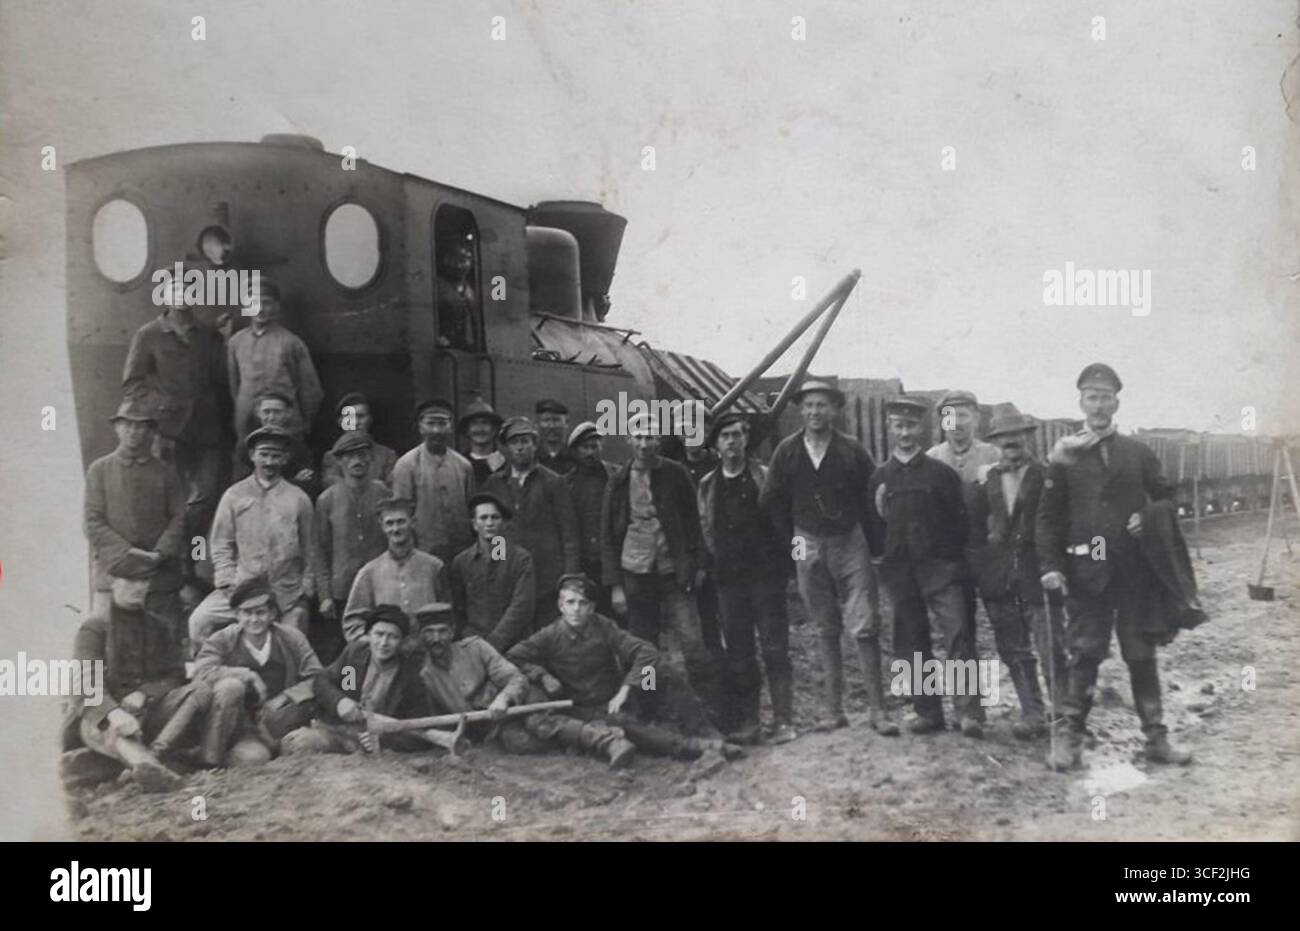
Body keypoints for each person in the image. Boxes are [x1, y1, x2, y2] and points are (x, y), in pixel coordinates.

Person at [1036, 363, 1191, 770]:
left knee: (1141, 654)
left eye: (1106, 397)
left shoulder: (1136, 453)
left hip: (1134, 571)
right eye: (1093, 397)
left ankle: (1156, 738)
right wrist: (1051, 566)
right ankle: (1069, 740)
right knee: (1084, 653)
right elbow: (1048, 518)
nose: (1099, 405)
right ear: (1081, 402)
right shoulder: (1064, 455)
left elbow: (1168, 497)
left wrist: (1149, 514)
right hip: (1089, 567)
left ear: (1116, 402)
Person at [759, 380, 894, 734]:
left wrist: (875, 545)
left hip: (849, 541)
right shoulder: (787, 452)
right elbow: (772, 500)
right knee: (824, 626)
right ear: (800, 411)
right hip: (805, 540)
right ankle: (833, 711)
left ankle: (878, 711)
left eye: (822, 405)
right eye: (809, 406)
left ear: (834, 410)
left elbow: (874, 497)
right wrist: (789, 542)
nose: (815, 412)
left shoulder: (851, 450)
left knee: (864, 624)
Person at [508, 575, 740, 768]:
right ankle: (698, 747)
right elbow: (513, 656)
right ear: (561, 606)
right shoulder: (549, 635)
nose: (576, 609)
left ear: (591, 607)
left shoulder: (603, 625)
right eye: (570, 603)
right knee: (629, 727)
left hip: (620, 699)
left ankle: (704, 730)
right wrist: (542, 675)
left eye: (582, 603)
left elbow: (645, 651)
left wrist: (626, 689)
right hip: (584, 710)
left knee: (659, 671)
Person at [599, 411, 727, 733]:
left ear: (659, 440)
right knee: (645, 649)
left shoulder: (676, 474)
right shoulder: (617, 481)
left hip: (673, 574)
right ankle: (651, 711)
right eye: (638, 437)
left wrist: (696, 565)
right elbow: (608, 537)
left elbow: (694, 523)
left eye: (650, 437)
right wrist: (615, 585)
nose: (644, 444)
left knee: (693, 644)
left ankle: (713, 713)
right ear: (629, 440)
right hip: (636, 576)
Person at [871, 396, 984, 738]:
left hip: (941, 571)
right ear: (890, 429)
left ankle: (970, 712)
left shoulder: (941, 474)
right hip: (901, 574)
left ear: (922, 429)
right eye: (898, 425)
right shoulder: (880, 478)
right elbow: (873, 527)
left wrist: (950, 561)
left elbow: (959, 521)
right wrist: (886, 564)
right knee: (911, 641)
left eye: (911, 426)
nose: (905, 433)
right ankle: (926, 711)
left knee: (958, 637)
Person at [968, 408, 1067, 739]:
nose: (1010, 442)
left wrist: (1057, 568)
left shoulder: (1049, 475)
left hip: (1039, 575)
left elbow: (1059, 527)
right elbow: (977, 529)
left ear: (1028, 436)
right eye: (1002, 437)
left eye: (1016, 435)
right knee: (1013, 649)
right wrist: (984, 569)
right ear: (995, 442)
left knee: (1051, 646)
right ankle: (1032, 712)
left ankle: (1065, 716)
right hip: (999, 579)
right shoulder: (989, 478)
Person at [697, 412, 795, 745]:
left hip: (765, 578)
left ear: (745, 440)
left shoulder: (764, 477)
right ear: (716, 444)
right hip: (729, 582)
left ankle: (783, 720)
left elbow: (783, 525)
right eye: (725, 436)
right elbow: (705, 529)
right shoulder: (708, 485)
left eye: (738, 435)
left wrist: (784, 569)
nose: (732, 441)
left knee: (774, 647)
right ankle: (750, 721)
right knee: (740, 652)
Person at [122, 277, 230, 553]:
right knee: (167, 499)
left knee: (205, 497)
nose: (182, 296)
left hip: (206, 431)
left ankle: (185, 559)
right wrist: (162, 407)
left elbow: (220, 379)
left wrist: (226, 341)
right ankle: (176, 566)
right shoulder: (148, 335)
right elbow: (133, 385)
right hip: (168, 432)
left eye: (188, 290)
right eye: (175, 290)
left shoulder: (208, 335)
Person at [63, 591, 211, 793]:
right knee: (118, 733)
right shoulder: (95, 627)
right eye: (131, 581)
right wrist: (114, 713)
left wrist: (144, 693)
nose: (138, 587)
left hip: (148, 712)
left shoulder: (156, 625)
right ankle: (158, 773)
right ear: (115, 582)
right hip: (100, 716)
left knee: (198, 691)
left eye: (143, 580)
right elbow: (86, 687)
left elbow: (174, 674)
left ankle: (115, 764)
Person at [189, 425, 316, 647]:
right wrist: (226, 579)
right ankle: (210, 674)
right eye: (263, 454)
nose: (269, 462)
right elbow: (221, 543)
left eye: (276, 456)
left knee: (293, 640)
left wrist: (306, 583)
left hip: (284, 592)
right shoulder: (234, 495)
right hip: (243, 586)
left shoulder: (298, 499)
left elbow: (311, 547)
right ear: (252, 456)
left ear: (285, 459)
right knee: (199, 622)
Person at [192, 576, 325, 767]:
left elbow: (318, 677)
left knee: (301, 747)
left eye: (260, 612)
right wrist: (246, 675)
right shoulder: (222, 640)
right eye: (247, 613)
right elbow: (202, 672)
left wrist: (287, 696)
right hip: (241, 727)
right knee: (254, 758)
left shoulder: (291, 638)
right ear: (237, 615)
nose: (254, 620)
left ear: (272, 614)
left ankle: (278, 748)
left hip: (280, 721)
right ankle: (211, 760)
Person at [83, 398, 187, 626]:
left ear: (150, 431)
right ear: (117, 428)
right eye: (127, 424)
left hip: (158, 575)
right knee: (105, 640)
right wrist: (127, 552)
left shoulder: (166, 473)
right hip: (113, 571)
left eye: (140, 426)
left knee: (162, 642)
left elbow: (179, 517)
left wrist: (160, 553)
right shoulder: (99, 470)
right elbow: (92, 522)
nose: (133, 431)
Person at [926, 388, 1001, 701]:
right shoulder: (932, 459)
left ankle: (1032, 707)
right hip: (949, 556)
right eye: (949, 416)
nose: (956, 423)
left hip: (987, 552)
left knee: (1005, 625)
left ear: (977, 419)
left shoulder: (992, 455)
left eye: (963, 415)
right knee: (958, 629)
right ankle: (968, 706)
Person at [281, 605, 432, 755]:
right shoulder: (356, 657)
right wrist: (340, 701)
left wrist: (384, 740)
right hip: (339, 734)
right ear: (369, 635)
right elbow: (324, 681)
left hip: (378, 749)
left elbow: (417, 734)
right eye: (379, 634)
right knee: (296, 744)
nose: (384, 642)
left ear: (402, 641)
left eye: (393, 637)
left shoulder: (409, 676)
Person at [482, 416, 580, 630]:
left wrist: (569, 577)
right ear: (506, 448)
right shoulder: (495, 483)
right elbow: (493, 533)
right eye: (514, 442)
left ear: (535, 445)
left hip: (546, 578)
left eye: (525, 441)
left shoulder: (553, 482)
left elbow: (569, 534)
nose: (520, 448)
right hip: (511, 575)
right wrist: (497, 566)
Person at [412, 602, 548, 755]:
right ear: (421, 636)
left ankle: (577, 738)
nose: (436, 638)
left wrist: (503, 698)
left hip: (522, 702)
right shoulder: (424, 674)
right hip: (494, 727)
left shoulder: (476, 648)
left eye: (442, 631)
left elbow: (517, 679)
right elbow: (438, 717)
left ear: (452, 632)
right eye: (429, 632)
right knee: (519, 742)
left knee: (540, 725)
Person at [226, 277, 323, 439]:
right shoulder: (236, 342)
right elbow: (234, 385)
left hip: (285, 422)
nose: (260, 308)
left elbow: (311, 390)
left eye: (266, 303)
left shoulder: (291, 343)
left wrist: (305, 422)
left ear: (276, 307)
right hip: (247, 422)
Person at [342, 497, 447, 643]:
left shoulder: (434, 567)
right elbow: (352, 625)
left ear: (413, 522)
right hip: (388, 658)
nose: (395, 529)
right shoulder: (369, 572)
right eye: (389, 523)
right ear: (382, 526)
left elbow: (448, 615)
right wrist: (378, 643)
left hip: (427, 653)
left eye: (401, 522)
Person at [313, 431, 389, 633]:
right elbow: (320, 551)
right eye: (349, 456)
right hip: (343, 590)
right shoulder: (327, 500)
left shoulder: (383, 493)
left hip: (379, 584)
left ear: (371, 458)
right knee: (349, 650)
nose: (357, 461)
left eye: (363, 454)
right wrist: (325, 596)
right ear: (339, 461)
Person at [448, 492, 537, 652]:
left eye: (494, 517)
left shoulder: (520, 559)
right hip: (474, 645)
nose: (489, 523)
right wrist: (472, 641)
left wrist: (494, 642)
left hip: (514, 644)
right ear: (474, 524)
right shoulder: (461, 562)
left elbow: (522, 607)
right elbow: (459, 610)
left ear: (502, 522)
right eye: (483, 518)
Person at [391, 399, 476, 565]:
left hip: (461, 553)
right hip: (423, 555)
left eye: (442, 423)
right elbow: (400, 515)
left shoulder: (464, 466)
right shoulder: (406, 465)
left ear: (450, 426)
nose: (437, 430)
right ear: (420, 427)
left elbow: (472, 511)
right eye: (430, 424)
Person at [563, 421, 615, 611]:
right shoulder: (566, 484)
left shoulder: (616, 477)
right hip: (584, 564)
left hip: (613, 563)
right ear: (576, 451)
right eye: (585, 447)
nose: (590, 452)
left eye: (594, 446)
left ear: (602, 446)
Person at [231, 391, 318, 497]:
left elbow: (309, 482)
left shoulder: (299, 448)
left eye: (277, 412)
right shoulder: (245, 447)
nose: (271, 417)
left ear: (288, 414)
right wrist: (293, 481)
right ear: (258, 413)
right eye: (266, 412)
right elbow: (240, 482)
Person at [320, 392, 398, 488]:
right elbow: (333, 489)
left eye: (361, 416)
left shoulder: (387, 455)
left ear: (370, 419)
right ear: (340, 422)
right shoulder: (332, 457)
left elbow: (392, 490)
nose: (355, 422)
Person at [436, 232, 479, 350]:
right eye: (458, 258)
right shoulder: (437, 287)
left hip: (468, 347)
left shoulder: (469, 289)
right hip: (448, 347)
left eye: (467, 258)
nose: (463, 263)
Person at [458, 396, 506, 487]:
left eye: (485, 423)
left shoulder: (506, 464)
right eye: (474, 423)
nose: (480, 429)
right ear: (467, 430)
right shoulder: (459, 464)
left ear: (494, 430)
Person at [535, 399, 575, 475]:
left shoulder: (576, 456)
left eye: (556, 420)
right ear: (537, 423)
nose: (552, 426)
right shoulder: (531, 457)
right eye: (546, 420)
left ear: (566, 423)